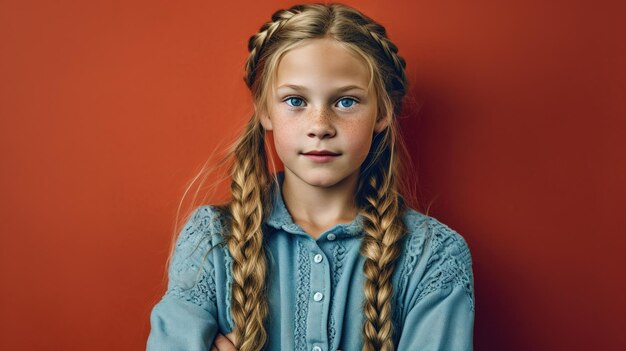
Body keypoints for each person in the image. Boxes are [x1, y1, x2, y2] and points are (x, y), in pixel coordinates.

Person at [146, 3, 474, 351]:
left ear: (382, 112)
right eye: (295, 100)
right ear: (264, 110)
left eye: (346, 102)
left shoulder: (434, 256)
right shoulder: (211, 239)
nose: (320, 126)